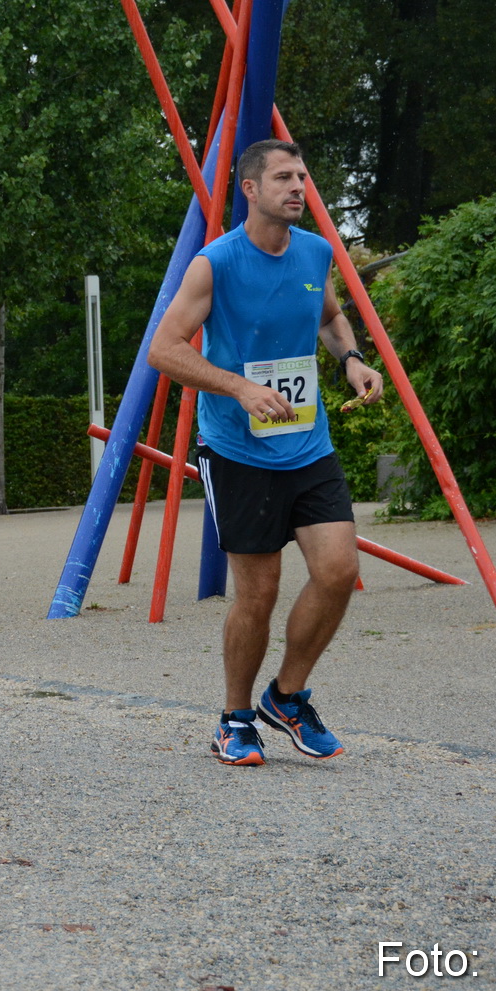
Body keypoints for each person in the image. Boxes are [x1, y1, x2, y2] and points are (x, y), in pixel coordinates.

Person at [148, 139, 384, 767]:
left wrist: (352, 359)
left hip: (308, 443)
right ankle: (234, 717)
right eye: (284, 177)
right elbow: (165, 349)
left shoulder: (315, 252)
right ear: (249, 189)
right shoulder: (216, 263)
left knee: (338, 571)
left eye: (303, 177)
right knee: (258, 591)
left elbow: (330, 316)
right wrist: (240, 387)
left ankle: (286, 696)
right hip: (236, 451)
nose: (298, 188)